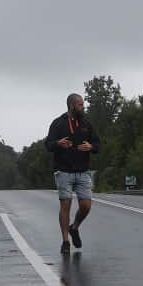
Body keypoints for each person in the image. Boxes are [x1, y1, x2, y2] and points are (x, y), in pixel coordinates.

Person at [44, 93, 101, 254]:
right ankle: (65, 242)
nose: (83, 107)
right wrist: (58, 143)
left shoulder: (86, 123)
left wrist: (91, 147)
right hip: (64, 172)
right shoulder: (58, 123)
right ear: (71, 106)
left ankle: (74, 228)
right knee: (65, 205)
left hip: (83, 172)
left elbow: (97, 144)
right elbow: (48, 144)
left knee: (86, 205)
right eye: (80, 105)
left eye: (83, 104)